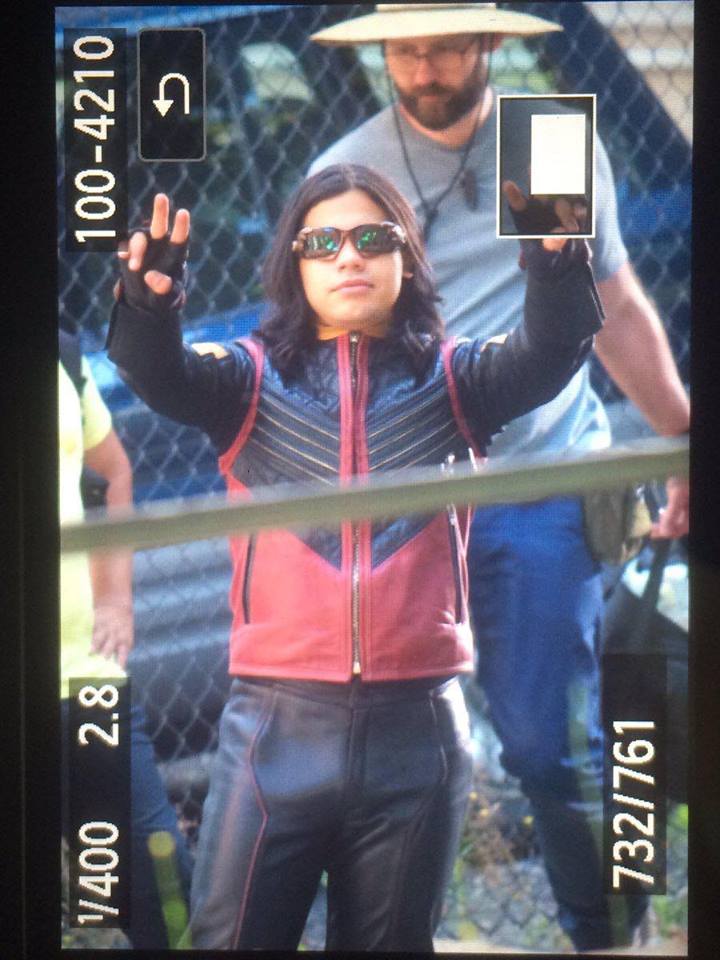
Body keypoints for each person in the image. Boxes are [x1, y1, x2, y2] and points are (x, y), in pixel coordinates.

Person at [106, 163, 604, 951]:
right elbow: (154, 372)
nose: (348, 256)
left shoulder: (456, 379)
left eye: (373, 237)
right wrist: (148, 301)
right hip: (273, 733)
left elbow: (551, 352)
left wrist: (556, 263)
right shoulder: (248, 381)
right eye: (323, 242)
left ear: (407, 257)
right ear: (293, 263)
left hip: (418, 737)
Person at [307, 3, 690, 952]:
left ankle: (614, 934)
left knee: (548, 747)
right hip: (407, 500)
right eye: (404, 52)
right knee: (388, 754)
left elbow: (610, 304)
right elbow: (320, 347)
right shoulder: (351, 173)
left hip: (539, 480)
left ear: (486, 44)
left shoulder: (544, 146)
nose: (423, 70)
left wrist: (685, 438)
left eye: (443, 48)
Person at [59, 327, 192, 949]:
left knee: (156, 894)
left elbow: (111, 471)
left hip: (84, 682)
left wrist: (114, 596)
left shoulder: (60, 355)